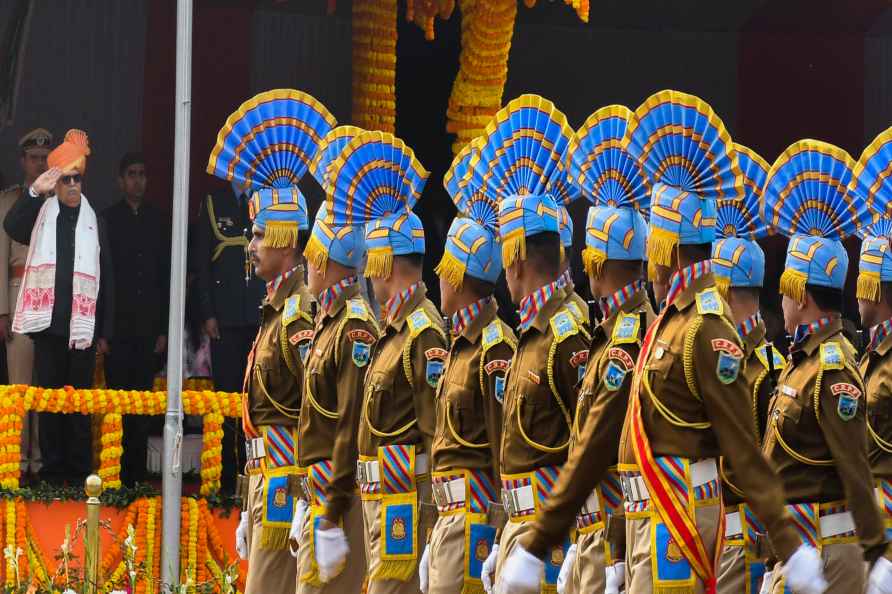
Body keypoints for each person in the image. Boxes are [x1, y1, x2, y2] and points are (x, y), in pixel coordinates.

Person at [608, 91, 824, 594]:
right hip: (663, 517)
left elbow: (753, 455)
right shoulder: (677, 328)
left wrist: (784, 545)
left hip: (716, 523)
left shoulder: (736, 350)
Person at [515, 105, 652, 594]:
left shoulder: (626, 341)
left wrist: (611, 547)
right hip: (592, 531)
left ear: (595, 267)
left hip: (618, 533)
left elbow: (605, 451)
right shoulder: (614, 335)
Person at [206, 89, 336, 594]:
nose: (252, 245)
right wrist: (247, 500)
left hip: (288, 482)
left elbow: (317, 410)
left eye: (259, 235)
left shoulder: (300, 312)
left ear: (285, 240)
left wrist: (309, 495)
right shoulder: (274, 311)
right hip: (264, 481)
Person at [461, 95, 588, 594]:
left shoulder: (565, 335)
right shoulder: (531, 334)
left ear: (515, 263)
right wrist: (500, 534)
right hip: (517, 525)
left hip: (548, 534)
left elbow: (586, 447)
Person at [323, 129, 445, 594]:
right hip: (379, 502)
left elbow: (434, 434)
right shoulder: (392, 331)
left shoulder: (422, 331)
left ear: (387, 268)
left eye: (374, 269)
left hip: (404, 505)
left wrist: (432, 520)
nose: (370, 282)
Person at [416, 142, 516, 594]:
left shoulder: (494, 348)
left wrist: (498, 535)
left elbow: (502, 449)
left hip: (475, 522)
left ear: (456, 277)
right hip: (447, 518)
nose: (438, 279)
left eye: (444, 270)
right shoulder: (459, 343)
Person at [4, 129, 114, 486]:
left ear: (83, 181)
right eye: (65, 179)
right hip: (49, 326)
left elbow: (107, 278)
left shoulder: (94, 220)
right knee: (50, 402)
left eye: (75, 179)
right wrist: (37, 191)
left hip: (82, 329)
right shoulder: (41, 211)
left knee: (78, 404)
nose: (70, 185)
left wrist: (104, 331)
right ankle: (51, 473)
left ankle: (78, 471)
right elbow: (11, 226)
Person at [293, 125, 374, 594]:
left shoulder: (353, 326)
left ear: (324, 262)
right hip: (316, 494)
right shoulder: (330, 321)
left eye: (311, 258)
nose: (306, 267)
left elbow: (349, 426)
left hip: (335, 501)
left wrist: (330, 511)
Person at [709, 144, 783, 594]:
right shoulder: (719, 357)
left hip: (748, 543)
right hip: (712, 537)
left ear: (729, 291)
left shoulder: (766, 369)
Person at [197, 122, 272, 493]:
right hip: (225, 319)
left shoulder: (268, 201)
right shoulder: (214, 203)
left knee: (258, 399)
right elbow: (200, 266)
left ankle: (255, 474)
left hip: (260, 319)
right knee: (227, 395)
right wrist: (207, 313)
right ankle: (227, 475)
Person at [102, 152, 170, 487]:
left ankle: (137, 474)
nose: (137, 180)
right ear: (120, 180)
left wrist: (164, 329)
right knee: (117, 403)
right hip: (117, 329)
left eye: (142, 174)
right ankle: (114, 475)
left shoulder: (159, 220)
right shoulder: (108, 219)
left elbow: (167, 278)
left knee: (142, 405)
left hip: (148, 330)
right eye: (131, 174)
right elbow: (102, 279)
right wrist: (102, 331)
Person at [0, 127, 52, 476]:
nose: (39, 164)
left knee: (47, 386)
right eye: (34, 158)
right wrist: (2, 309)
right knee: (20, 386)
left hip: (51, 300)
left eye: (44, 159)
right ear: (23, 161)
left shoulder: (60, 198)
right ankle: (17, 461)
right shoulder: (8, 201)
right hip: (19, 295)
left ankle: (41, 460)